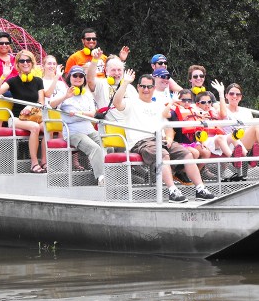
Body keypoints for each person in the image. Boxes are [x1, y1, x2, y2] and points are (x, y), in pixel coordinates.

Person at [112, 69, 215, 202]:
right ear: (138, 87)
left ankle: (200, 189)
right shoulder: (131, 102)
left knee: (187, 153)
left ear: (154, 88)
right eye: (143, 86)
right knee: (163, 154)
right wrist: (125, 82)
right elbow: (116, 103)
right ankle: (172, 191)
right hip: (142, 142)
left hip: (161, 140)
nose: (146, 89)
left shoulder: (158, 105)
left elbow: (167, 127)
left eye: (149, 86)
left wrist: (170, 138)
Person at [49, 65, 106, 185]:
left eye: (81, 76)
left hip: (89, 129)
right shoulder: (64, 92)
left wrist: (80, 113)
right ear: (70, 77)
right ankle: (101, 178)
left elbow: (92, 113)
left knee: (108, 145)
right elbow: (52, 105)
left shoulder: (87, 94)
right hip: (73, 132)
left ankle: (109, 174)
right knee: (94, 148)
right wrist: (65, 96)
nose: (78, 78)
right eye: (75, 75)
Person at [0, 50, 46, 173]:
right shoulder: (12, 81)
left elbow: (41, 102)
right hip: (16, 118)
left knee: (48, 127)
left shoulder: (38, 81)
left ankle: (45, 161)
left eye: (28, 61)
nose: (25, 63)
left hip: (33, 116)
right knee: (35, 127)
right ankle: (34, 163)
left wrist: (30, 107)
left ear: (32, 63)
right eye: (22, 61)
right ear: (18, 64)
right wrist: (4, 76)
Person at [86, 52, 137, 122]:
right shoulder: (101, 84)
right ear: (106, 71)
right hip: (108, 128)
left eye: (119, 70)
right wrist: (95, 60)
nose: (116, 73)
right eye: (113, 70)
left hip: (128, 128)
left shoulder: (130, 88)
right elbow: (90, 79)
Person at [65, 28, 130, 78]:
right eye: (88, 39)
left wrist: (121, 59)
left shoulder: (103, 57)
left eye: (94, 39)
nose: (91, 41)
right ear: (83, 41)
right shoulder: (74, 57)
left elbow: (114, 69)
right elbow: (67, 77)